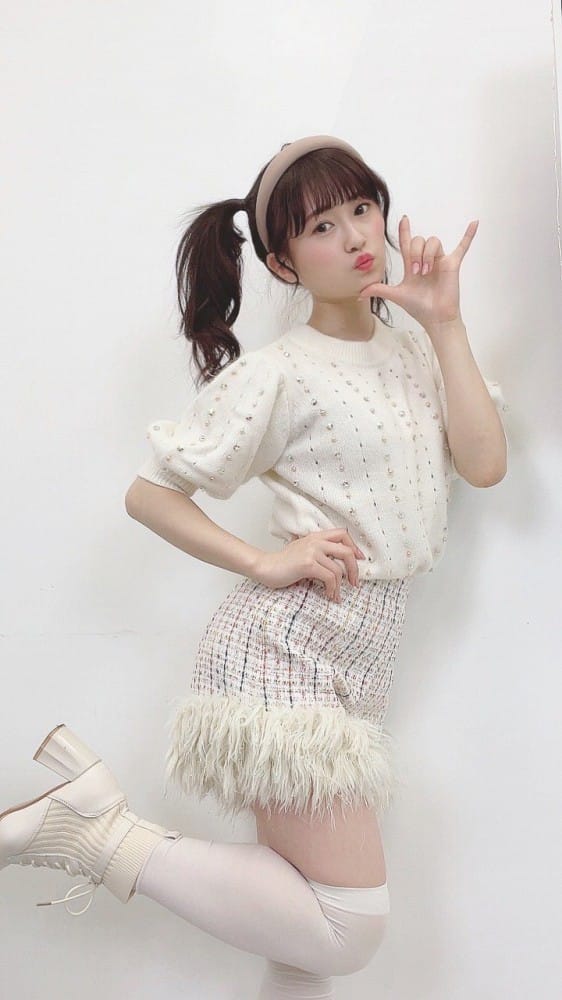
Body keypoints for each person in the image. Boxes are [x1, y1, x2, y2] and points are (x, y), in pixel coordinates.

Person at [0, 134, 509, 998]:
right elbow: (150, 494)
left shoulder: (417, 350)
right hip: (288, 654)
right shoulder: (281, 373)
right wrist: (265, 561)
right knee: (346, 927)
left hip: (358, 660)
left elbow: (485, 464)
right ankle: (98, 833)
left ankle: (97, 829)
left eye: (363, 208)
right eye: (321, 226)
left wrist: (446, 323)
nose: (356, 235)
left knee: (300, 936)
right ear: (282, 261)